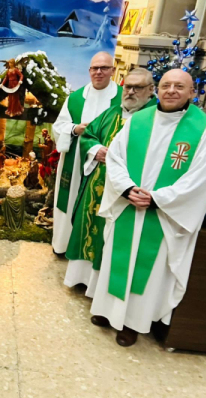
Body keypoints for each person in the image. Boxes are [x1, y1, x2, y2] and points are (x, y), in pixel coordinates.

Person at [90, 69, 206, 347]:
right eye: (166, 85)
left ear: (192, 92)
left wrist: (158, 198)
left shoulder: (205, 130)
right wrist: (126, 189)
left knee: (148, 270)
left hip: (163, 214)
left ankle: (132, 323)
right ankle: (106, 310)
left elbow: (202, 177)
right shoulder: (138, 120)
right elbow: (115, 158)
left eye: (179, 86)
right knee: (116, 258)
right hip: (128, 205)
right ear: (157, 90)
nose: (171, 90)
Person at [65, 68, 157, 298]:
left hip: (127, 190)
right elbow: (89, 135)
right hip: (98, 181)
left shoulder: (154, 119)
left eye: (138, 88)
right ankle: (82, 277)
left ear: (150, 90)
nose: (131, 92)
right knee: (90, 227)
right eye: (127, 87)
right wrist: (95, 150)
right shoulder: (111, 112)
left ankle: (103, 287)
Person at [51, 52, 122, 273]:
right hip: (76, 160)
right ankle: (63, 244)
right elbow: (58, 127)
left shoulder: (122, 98)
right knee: (70, 198)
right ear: (89, 71)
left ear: (113, 71)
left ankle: (93, 254)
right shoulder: (75, 98)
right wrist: (75, 129)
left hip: (106, 163)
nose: (98, 72)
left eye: (104, 68)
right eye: (94, 68)